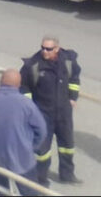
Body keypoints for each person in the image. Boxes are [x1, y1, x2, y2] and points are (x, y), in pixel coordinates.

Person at [0, 69, 47, 196]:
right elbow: (41, 131)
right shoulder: (26, 104)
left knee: (3, 190)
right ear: (19, 85)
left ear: (0, 82)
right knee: (29, 192)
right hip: (22, 160)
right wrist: (30, 148)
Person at [19, 36, 82, 186]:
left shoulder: (68, 61)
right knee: (42, 150)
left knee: (67, 145)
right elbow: (24, 87)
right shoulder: (33, 65)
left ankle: (67, 175)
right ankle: (41, 179)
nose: (44, 51)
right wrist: (29, 107)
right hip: (43, 114)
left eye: (48, 49)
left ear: (57, 49)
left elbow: (74, 78)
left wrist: (73, 97)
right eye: (42, 48)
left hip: (64, 112)